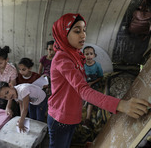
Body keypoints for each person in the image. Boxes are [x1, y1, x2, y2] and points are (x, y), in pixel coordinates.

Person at [48, 13, 151, 148]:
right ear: (63, 33)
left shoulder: (75, 53)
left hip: (71, 115)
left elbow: (78, 83)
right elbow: (83, 91)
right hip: (60, 118)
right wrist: (121, 105)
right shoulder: (62, 59)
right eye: (77, 31)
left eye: (84, 30)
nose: (83, 35)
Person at [82, 46, 103, 129]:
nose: (89, 56)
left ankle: (87, 119)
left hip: (94, 83)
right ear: (83, 56)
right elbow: (81, 76)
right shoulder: (82, 65)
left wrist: (91, 83)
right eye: (87, 54)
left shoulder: (97, 65)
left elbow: (100, 77)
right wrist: (84, 83)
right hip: (85, 83)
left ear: (94, 55)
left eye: (91, 54)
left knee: (91, 97)